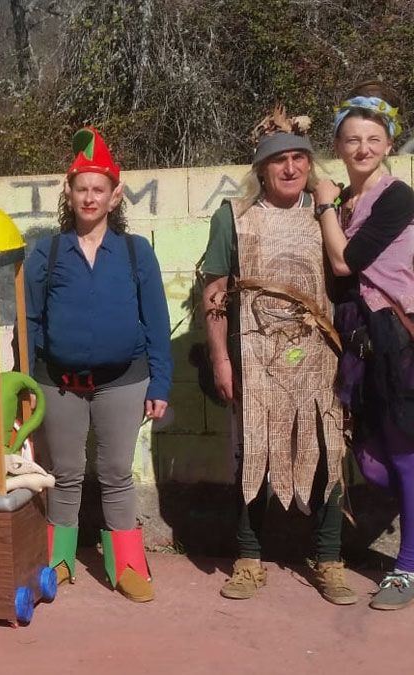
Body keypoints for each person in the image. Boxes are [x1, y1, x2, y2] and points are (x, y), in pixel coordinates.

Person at [200, 107, 354, 605]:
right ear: (262, 170)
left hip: (320, 355)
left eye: (298, 159)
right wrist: (222, 359)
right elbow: (217, 293)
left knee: (329, 451)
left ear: (309, 164)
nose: (290, 169)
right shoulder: (234, 218)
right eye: (279, 161)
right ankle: (248, 558)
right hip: (256, 358)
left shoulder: (330, 211)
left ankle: (329, 559)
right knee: (254, 455)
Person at [27, 128, 171, 603]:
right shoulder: (45, 253)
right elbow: (28, 323)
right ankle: (59, 561)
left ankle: (127, 564)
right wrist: (27, 384)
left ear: (115, 195)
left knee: (115, 472)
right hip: (59, 385)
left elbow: (156, 321)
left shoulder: (136, 252)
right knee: (64, 472)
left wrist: (161, 383)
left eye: (99, 189)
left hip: (124, 383)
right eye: (81, 188)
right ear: (67, 193)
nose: (90, 198)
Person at [314, 81, 414, 610]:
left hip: (394, 335)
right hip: (358, 338)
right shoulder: (351, 199)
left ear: (389, 144)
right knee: (373, 460)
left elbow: (344, 263)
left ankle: (408, 567)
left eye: (373, 138)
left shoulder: (396, 197)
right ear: (338, 145)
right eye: (352, 139)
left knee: (402, 452)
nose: (362, 148)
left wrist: (324, 204)